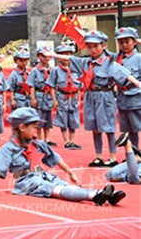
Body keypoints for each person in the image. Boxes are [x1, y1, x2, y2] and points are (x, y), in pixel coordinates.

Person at [0, 108, 125, 207]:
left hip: (43, 174)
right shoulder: (9, 148)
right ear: (22, 127)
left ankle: (107, 196)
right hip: (26, 181)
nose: (37, 130)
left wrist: (70, 173)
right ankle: (95, 195)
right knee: (55, 189)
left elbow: (56, 158)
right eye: (34, 127)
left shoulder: (38, 144)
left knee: (64, 185)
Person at [46, 31, 141, 167]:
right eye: (89, 47)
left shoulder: (109, 62)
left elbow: (125, 74)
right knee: (95, 127)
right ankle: (99, 156)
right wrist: (54, 55)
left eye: (96, 46)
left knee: (108, 128)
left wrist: (137, 83)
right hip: (91, 96)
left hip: (104, 96)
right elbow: (71, 59)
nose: (93, 49)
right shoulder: (86, 62)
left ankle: (112, 157)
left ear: (104, 46)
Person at [45, 45, 82, 150]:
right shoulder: (56, 70)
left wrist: (79, 99)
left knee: (73, 120)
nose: (66, 56)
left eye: (69, 54)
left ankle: (72, 140)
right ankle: (66, 141)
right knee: (63, 120)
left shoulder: (76, 70)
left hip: (73, 97)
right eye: (64, 54)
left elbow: (78, 86)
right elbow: (52, 86)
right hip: (62, 97)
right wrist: (54, 100)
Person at [114, 27, 141, 149]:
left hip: (136, 97)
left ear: (134, 42)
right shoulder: (117, 58)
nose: (124, 45)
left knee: (138, 125)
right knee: (129, 129)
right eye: (121, 42)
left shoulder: (138, 58)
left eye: (127, 41)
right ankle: (134, 153)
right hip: (122, 98)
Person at [28, 48, 55, 145]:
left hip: (48, 96)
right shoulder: (35, 71)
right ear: (38, 56)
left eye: (48, 56)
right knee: (39, 118)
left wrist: (54, 99)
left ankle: (47, 139)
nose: (46, 58)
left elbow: (53, 86)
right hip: (39, 95)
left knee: (48, 119)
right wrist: (33, 98)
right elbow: (32, 86)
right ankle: (40, 139)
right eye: (43, 56)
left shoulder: (52, 70)